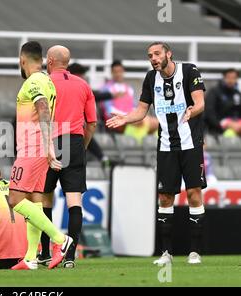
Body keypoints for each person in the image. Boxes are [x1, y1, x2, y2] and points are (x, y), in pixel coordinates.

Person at [107, 42, 206, 265]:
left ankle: (195, 252)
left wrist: (192, 110)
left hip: (191, 144)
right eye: (150, 55)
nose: (153, 58)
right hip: (165, 146)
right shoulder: (151, 79)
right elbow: (142, 111)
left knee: (193, 195)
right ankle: (166, 254)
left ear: (168, 54)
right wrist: (125, 117)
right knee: (165, 197)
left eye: (157, 54)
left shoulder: (189, 71)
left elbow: (200, 102)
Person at [6, 41, 72, 270]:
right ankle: (30, 257)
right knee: (35, 201)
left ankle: (60, 239)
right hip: (39, 150)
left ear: (22, 60)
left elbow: (43, 109)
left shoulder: (33, 81)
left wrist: (48, 146)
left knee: (14, 199)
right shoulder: (47, 81)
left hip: (31, 149)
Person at [38, 46, 97, 268]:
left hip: (48, 142)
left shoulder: (42, 83)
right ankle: (70, 256)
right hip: (73, 141)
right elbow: (91, 123)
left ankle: (45, 251)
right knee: (74, 201)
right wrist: (82, 146)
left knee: (44, 198)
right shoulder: (83, 85)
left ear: (50, 61)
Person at [102, 60, 158, 144]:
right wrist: (126, 116)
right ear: (111, 73)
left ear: (123, 72)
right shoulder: (106, 88)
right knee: (142, 121)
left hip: (129, 118)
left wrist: (132, 116)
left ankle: (149, 148)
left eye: (120, 71)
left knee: (158, 123)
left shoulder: (128, 88)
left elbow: (134, 106)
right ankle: (137, 146)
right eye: (115, 72)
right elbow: (108, 110)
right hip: (115, 119)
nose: (118, 74)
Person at [67, 63, 112, 166]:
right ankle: (101, 157)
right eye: (81, 75)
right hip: (70, 130)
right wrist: (111, 95)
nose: (83, 78)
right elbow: (92, 123)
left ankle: (101, 157)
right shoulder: (79, 87)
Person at [205, 68, 241, 137]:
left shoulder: (237, 94)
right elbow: (209, 113)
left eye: (233, 78)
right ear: (224, 78)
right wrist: (221, 125)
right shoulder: (214, 92)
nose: (231, 80)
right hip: (219, 128)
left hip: (237, 124)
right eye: (228, 77)